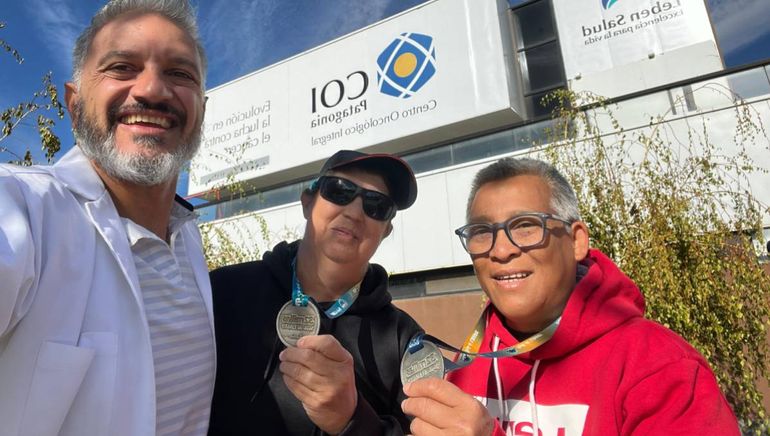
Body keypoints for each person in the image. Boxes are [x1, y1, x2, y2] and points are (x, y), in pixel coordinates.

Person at [401, 157, 740, 435]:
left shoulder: (659, 368)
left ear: (577, 241)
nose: (501, 250)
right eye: (481, 232)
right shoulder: (468, 363)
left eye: (526, 226)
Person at [0, 1, 213, 435]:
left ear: (201, 110)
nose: (152, 90)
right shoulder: (23, 207)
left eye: (179, 73)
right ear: (74, 104)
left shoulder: (188, 238)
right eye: (122, 67)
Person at [209, 150, 423, 435]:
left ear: (386, 231)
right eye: (340, 191)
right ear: (307, 202)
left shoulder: (404, 340)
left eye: (377, 205)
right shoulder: (223, 291)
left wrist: (352, 420)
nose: (354, 212)